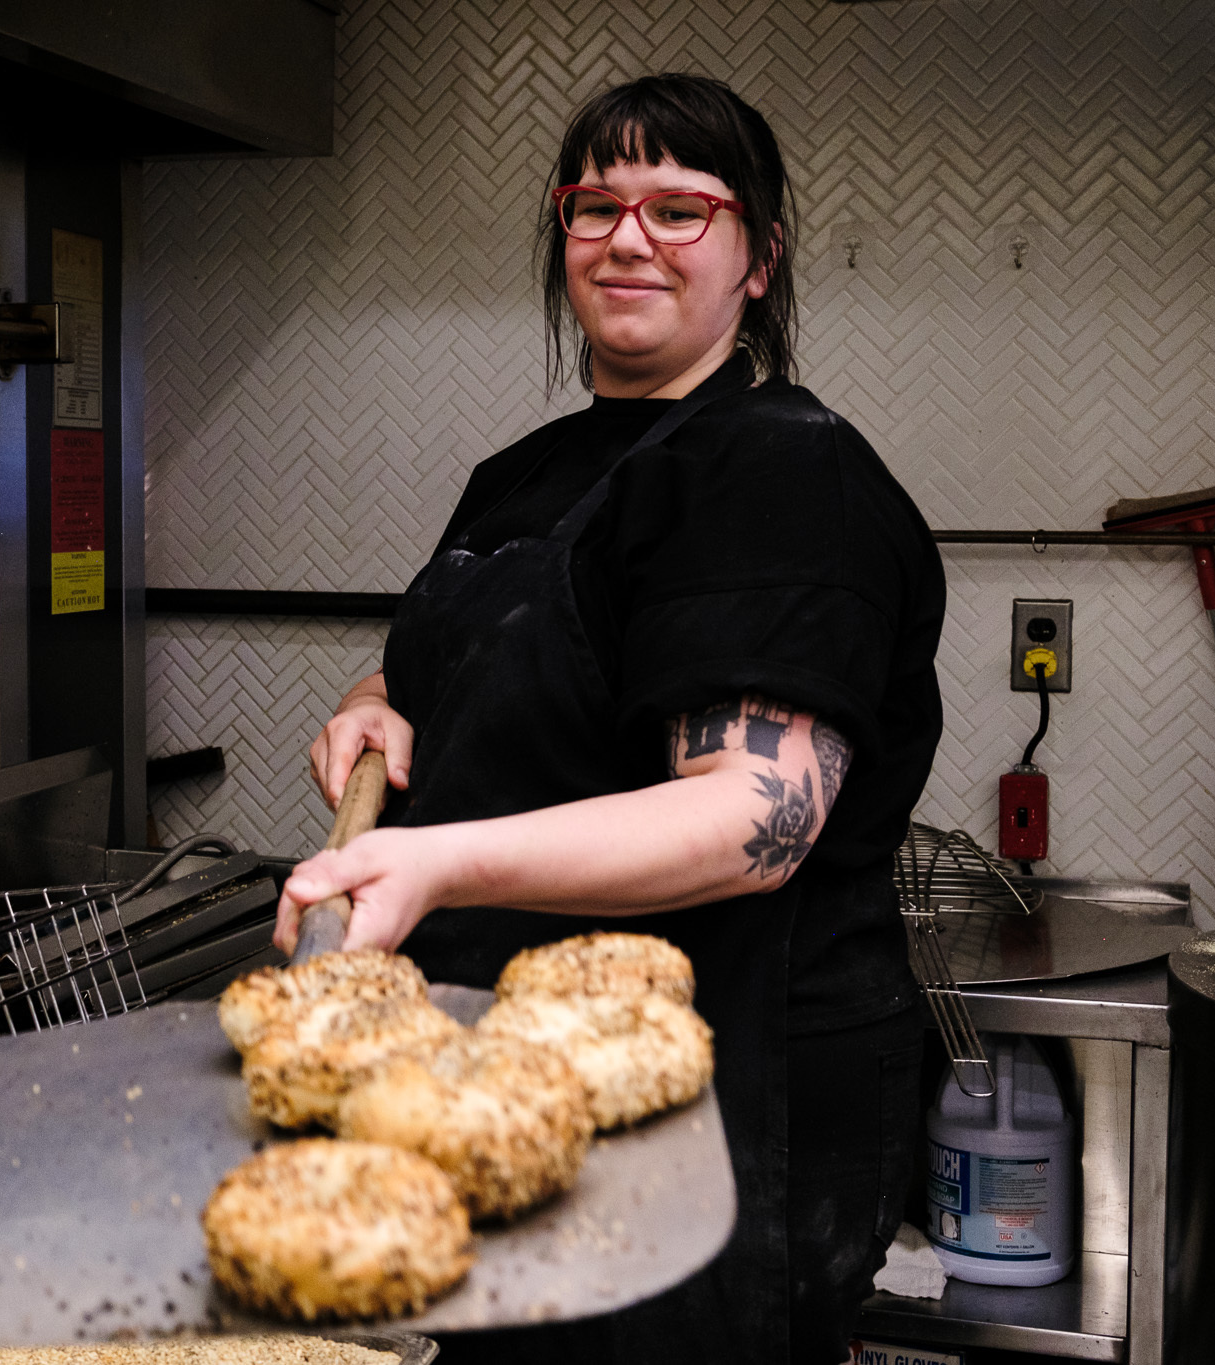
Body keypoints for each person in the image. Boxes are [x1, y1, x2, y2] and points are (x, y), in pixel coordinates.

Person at [273, 73, 944, 1363]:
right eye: (597, 205)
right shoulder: (520, 473)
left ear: (760, 259)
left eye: (682, 208)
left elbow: (760, 816)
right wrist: (376, 704)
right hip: (518, 1086)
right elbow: (491, 673)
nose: (629, 237)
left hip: (711, 1111)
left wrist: (438, 857)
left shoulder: (780, 464)